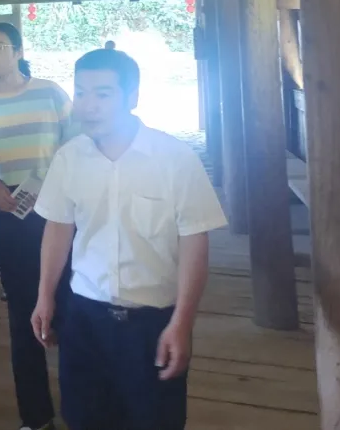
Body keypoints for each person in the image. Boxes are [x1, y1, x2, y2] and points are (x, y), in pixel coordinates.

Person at [31, 49, 227, 430]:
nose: (88, 105)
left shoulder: (175, 158)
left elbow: (194, 243)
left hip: (152, 322)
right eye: (81, 92)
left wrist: (182, 323)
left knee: (154, 420)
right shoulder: (69, 158)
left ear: (132, 97)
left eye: (103, 94)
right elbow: (58, 228)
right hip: (84, 317)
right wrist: (45, 295)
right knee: (84, 418)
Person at [0, 23, 72, 430]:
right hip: (11, 208)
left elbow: (77, 145)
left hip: (60, 206)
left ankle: (79, 406)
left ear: (19, 51)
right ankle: (35, 416)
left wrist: (57, 183)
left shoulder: (51, 93)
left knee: (70, 307)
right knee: (24, 314)